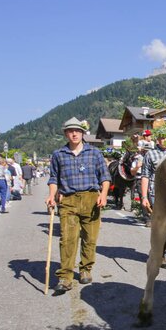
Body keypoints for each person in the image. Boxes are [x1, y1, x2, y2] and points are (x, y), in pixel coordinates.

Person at [46, 117, 111, 295]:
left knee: (90, 238)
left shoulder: (95, 153)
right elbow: (53, 179)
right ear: (66, 134)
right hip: (68, 200)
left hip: (91, 199)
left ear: (82, 133)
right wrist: (51, 196)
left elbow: (105, 177)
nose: (74, 134)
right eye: (70, 131)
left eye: (77, 131)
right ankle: (65, 277)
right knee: (67, 239)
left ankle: (85, 269)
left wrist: (103, 195)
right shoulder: (58, 154)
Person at [141, 131, 166, 269]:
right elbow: (145, 176)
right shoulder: (150, 154)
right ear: (157, 139)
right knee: (161, 225)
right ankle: (163, 254)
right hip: (156, 194)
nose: (164, 140)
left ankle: (160, 250)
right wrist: (144, 197)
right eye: (162, 137)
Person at [131, 142, 150, 226]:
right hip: (140, 179)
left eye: (149, 150)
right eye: (146, 150)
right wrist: (137, 167)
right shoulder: (138, 158)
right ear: (143, 150)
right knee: (143, 199)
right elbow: (132, 172)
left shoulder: (154, 157)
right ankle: (147, 218)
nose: (147, 152)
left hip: (152, 180)